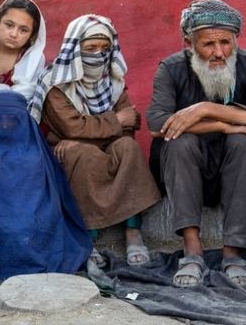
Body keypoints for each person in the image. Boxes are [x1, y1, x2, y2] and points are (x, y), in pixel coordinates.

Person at [146, 0, 246, 288]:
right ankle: (192, 252)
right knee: (180, 143)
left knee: (245, 144)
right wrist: (223, 124)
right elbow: (157, 123)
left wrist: (204, 108)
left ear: (236, 40)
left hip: (242, 167)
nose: (219, 53)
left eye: (226, 42)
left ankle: (233, 254)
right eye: (208, 44)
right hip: (189, 166)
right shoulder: (170, 68)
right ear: (188, 43)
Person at [29, 14, 161, 268]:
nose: (98, 55)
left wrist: (96, 131)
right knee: (82, 153)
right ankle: (86, 237)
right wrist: (113, 122)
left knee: (127, 147)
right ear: (75, 48)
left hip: (101, 144)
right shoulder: (56, 84)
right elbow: (71, 126)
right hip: (67, 150)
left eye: (104, 49)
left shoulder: (113, 80)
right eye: (90, 49)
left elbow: (130, 123)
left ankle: (133, 230)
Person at [0, 91, 92, 283]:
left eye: (12, 120)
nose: (4, 125)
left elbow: (47, 201)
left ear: (24, 120)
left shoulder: (37, 153)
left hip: (32, 231)